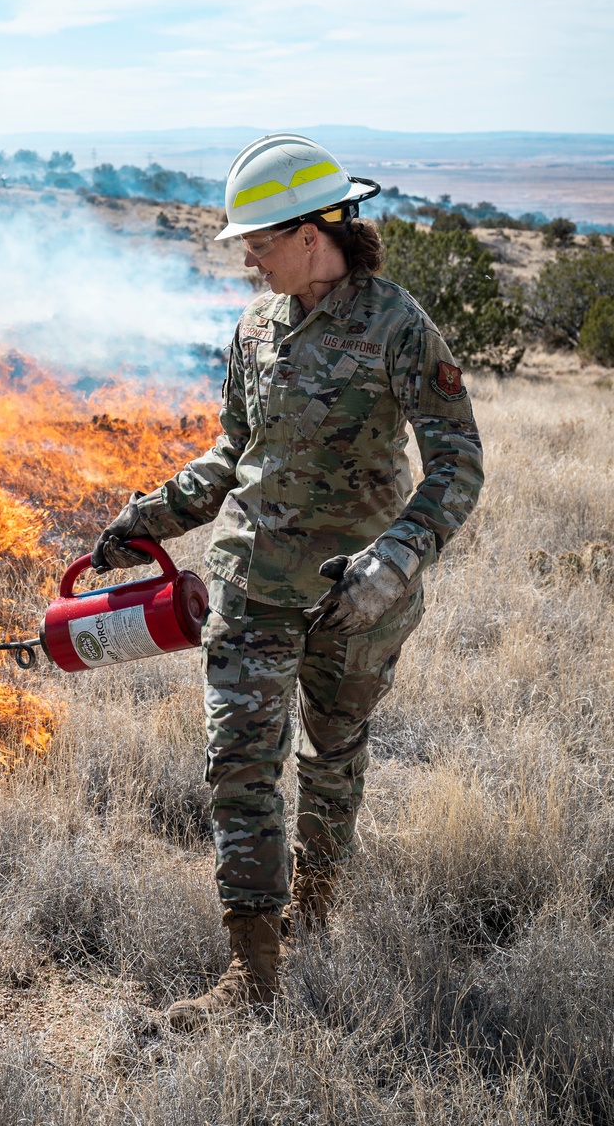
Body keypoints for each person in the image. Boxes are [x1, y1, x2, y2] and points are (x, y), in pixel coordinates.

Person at [90, 134, 484, 1030]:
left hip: (357, 598)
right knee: (238, 762)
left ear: (314, 232)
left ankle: (318, 909)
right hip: (251, 589)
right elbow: (234, 453)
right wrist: (147, 516)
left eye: (259, 239)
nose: (247, 255)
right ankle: (252, 970)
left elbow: (458, 462)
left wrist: (397, 556)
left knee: (334, 759)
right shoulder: (255, 328)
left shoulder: (397, 323)